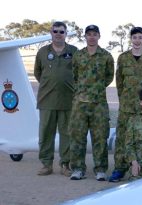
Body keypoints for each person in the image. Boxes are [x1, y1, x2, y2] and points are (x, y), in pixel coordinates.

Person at [108, 26, 142, 182]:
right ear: (131, 39)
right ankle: (119, 169)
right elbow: (119, 81)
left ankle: (141, 169)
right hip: (127, 107)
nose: (137, 40)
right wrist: (123, 99)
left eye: (140, 37)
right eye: (134, 37)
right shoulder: (123, 58)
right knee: (122, 138)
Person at [68, 25, 114, 181]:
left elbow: (109, 77)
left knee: (100, 137)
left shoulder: (106, 56)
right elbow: (74, 75)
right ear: (85, 37)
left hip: (99, 104)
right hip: (79, 104)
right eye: (89, 34)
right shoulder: (78, 56)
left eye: (95, 34)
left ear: (99, 36)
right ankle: (77, 169)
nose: (92, 37)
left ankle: (100, 169)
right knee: (77, 137)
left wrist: (96, 89)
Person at [34, 21, 78, 176]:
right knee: (46, 134)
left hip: (68, 100)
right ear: (51, 33)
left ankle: (65, 165)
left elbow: (79, 73)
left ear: (66, 34)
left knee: (67, 134)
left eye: (61, 31)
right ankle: (46, 164)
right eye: (55, 31)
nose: (58, 34)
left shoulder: (74, 51)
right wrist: (51, 84)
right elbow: (38, 73)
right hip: (47, 100)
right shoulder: (42, 52)